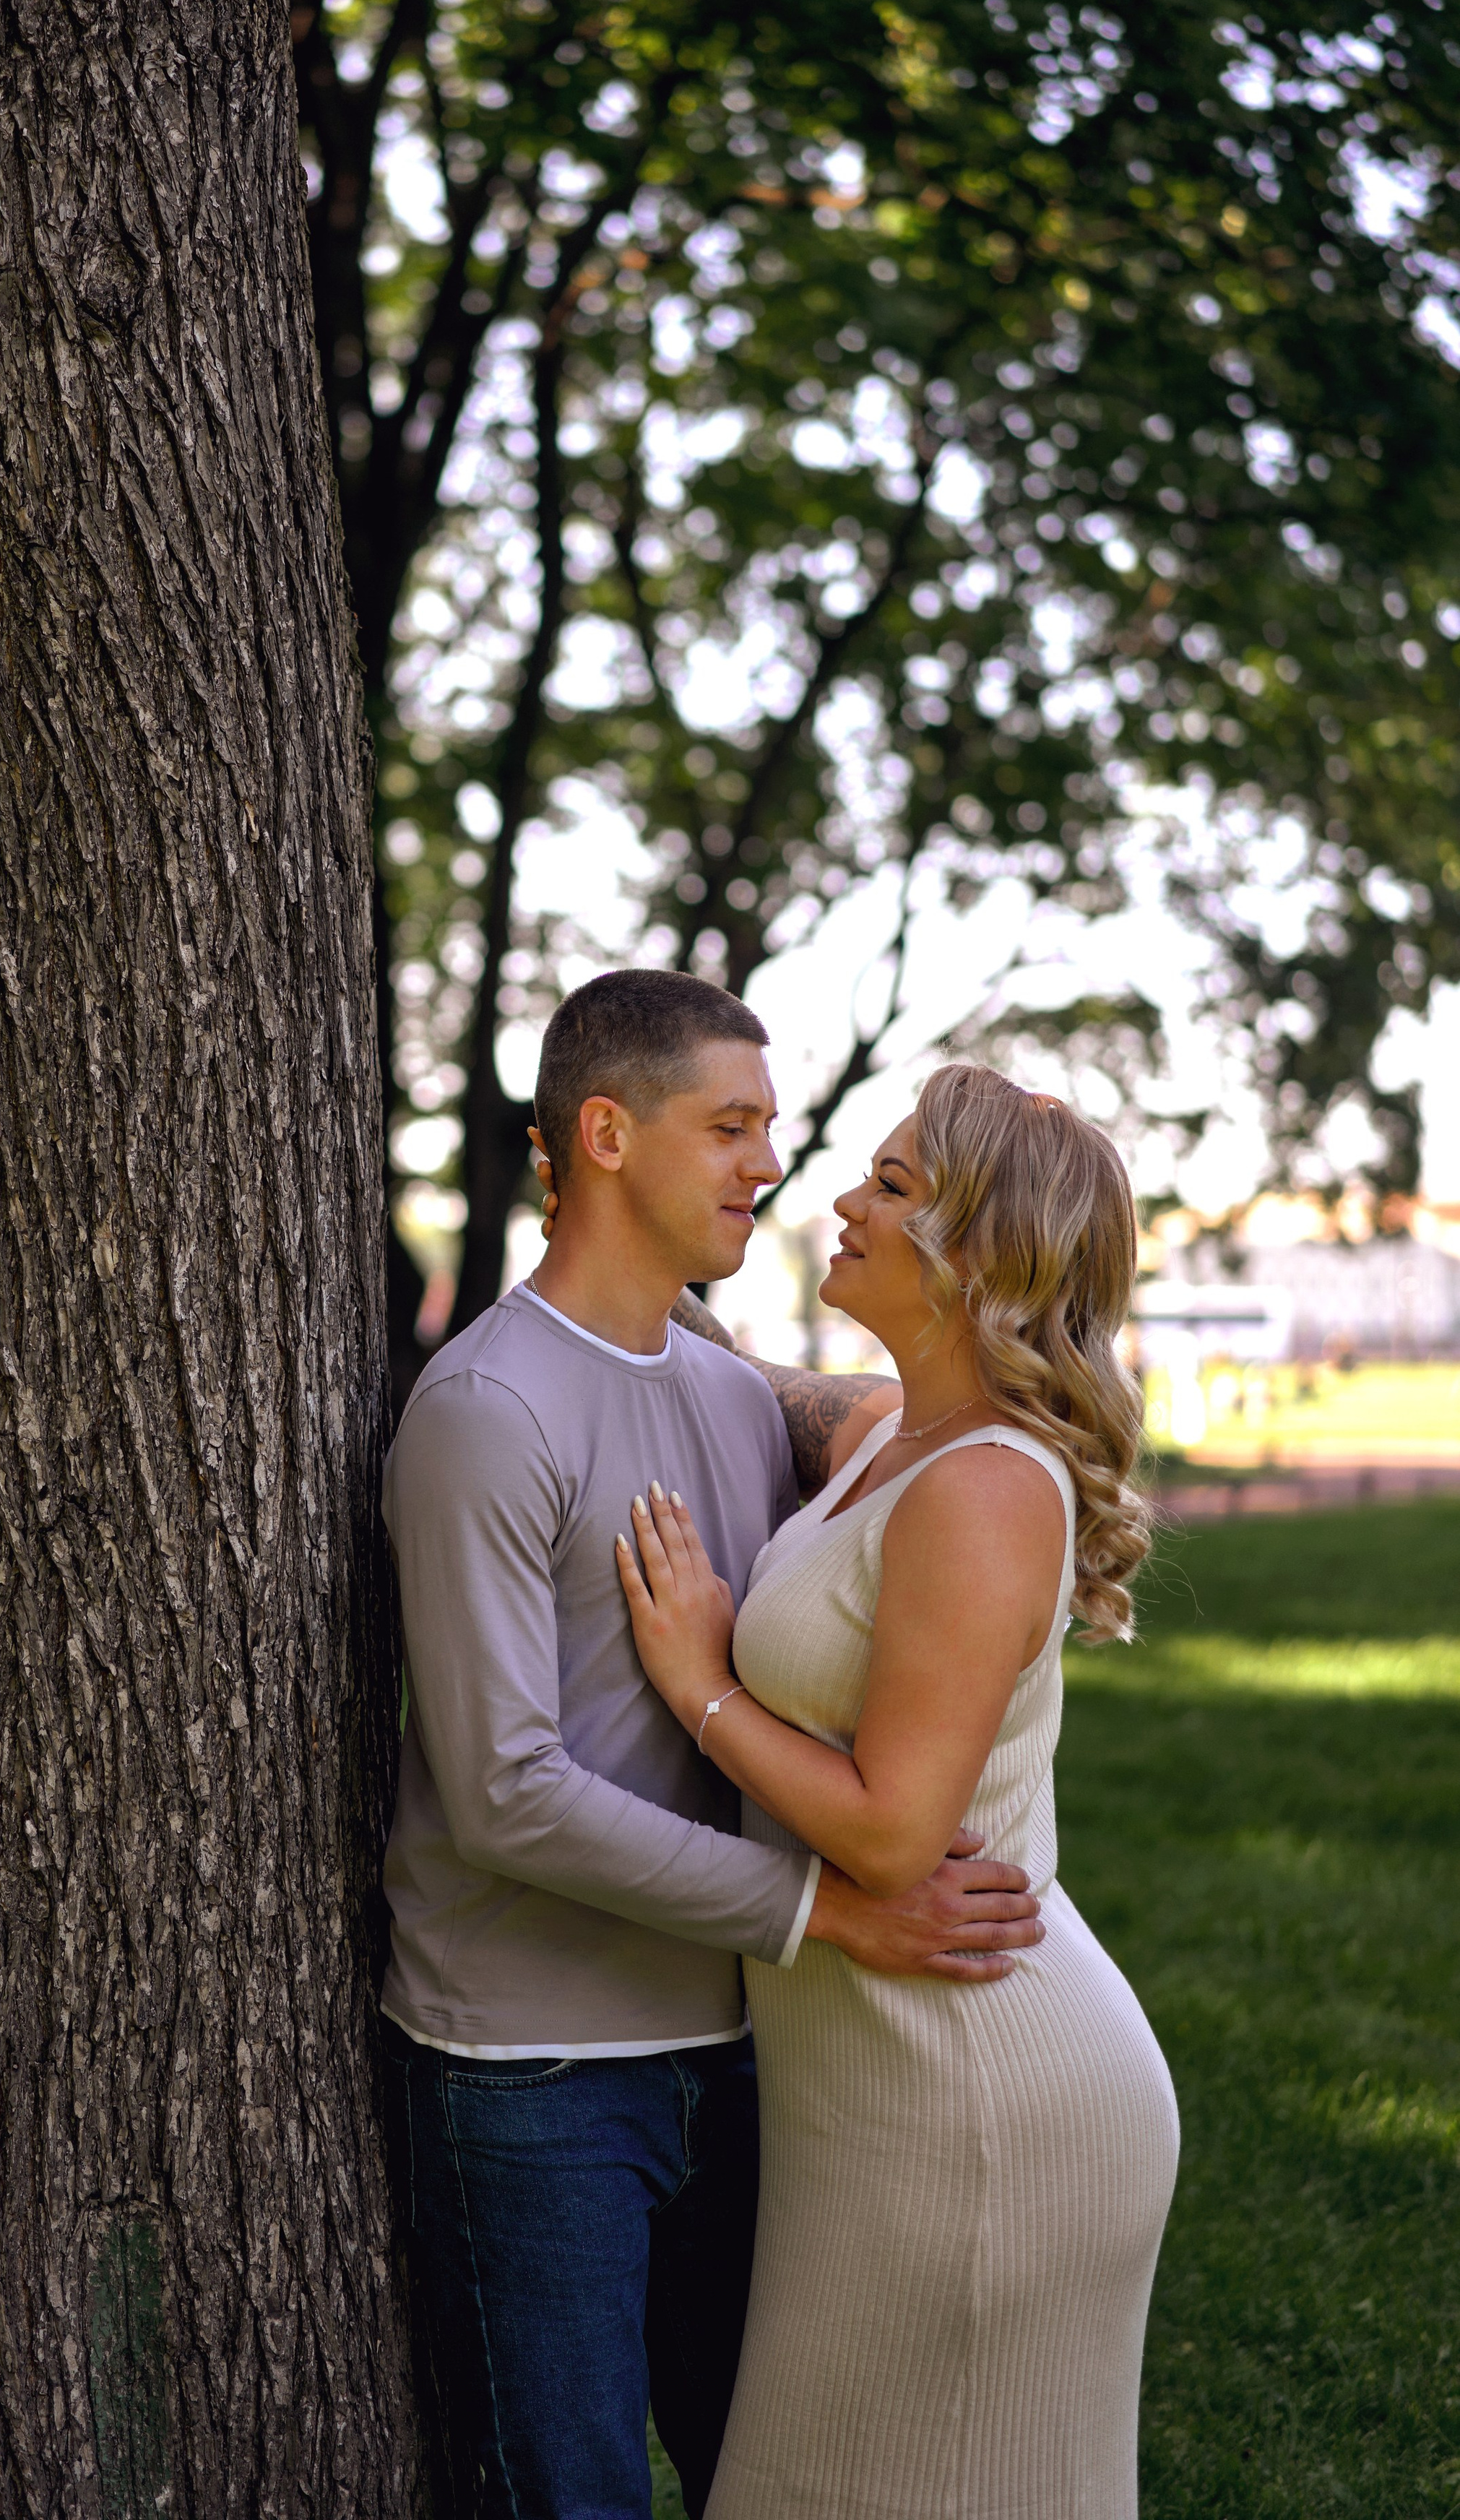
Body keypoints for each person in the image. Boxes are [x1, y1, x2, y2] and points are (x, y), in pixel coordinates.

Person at [379, 972, 1047, 2520]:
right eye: (729, 1125)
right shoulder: (482, 1409)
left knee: (775, 2481)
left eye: (771, 1125)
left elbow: (943, 1438)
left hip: (738, 2053)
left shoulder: (729, 1394)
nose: (767, 1162)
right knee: (579, 2498)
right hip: (534, 2072)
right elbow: (501, 1796)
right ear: (603, 1135)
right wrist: (824, 1908)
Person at [618, 1064, 1180, 2520]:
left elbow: (888, 1829)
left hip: (976, 2092)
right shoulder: (883, 1436)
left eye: (890, 1186)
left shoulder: (986, 1489)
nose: (839, 1204)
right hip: (871, 2083)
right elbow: (740, 1377)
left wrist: (701, 1685)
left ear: (982, 1252)